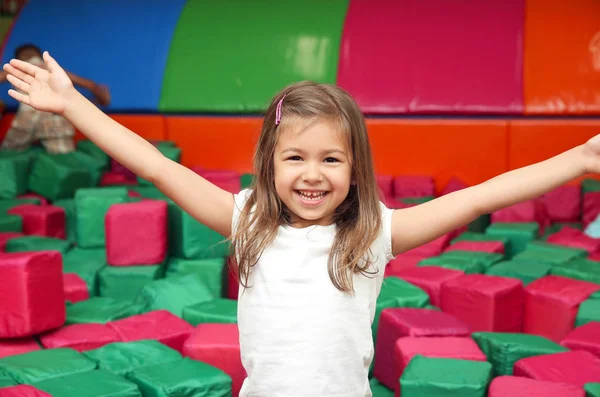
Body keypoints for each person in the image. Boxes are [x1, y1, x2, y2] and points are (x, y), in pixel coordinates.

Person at [3, 51, 600, 396]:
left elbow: (479, 199)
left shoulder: (372, 236)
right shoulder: (248, 221)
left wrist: (580, 158)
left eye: (331, 159)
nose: (312, 175)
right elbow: (157, 167)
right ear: (269, 162)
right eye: (295, 157)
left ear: (355, 168)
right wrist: (74, 105)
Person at [0, 44, 110, 153]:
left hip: (27, 117)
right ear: (40, 55)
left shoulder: (17, 69)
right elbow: (90, 85)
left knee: (9, 153)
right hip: (54, 117)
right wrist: (102, 99)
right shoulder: (54, 70)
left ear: (18, 59)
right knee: (63, 158)